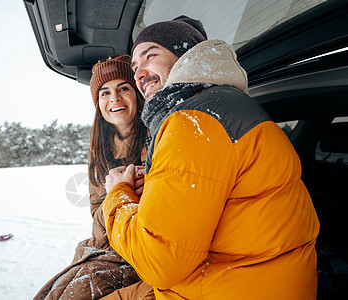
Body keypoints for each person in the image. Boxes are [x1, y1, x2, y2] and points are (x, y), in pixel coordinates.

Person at [102, 16, 320, 299]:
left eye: (150, 56)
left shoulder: (193, 123)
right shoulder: (223, 106)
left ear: (185, 56)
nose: (140, 74)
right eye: (134, 68)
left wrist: (117, 195)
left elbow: (159, 263)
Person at [34, 55, 153, 300]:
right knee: (53, 292)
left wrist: (131, 191)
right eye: (105, 93)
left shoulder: (157, 137)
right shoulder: (99, 153)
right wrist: (116, 193)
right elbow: (98, 218)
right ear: (98, 103)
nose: (115, 99)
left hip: (144, 247)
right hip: (110, 243)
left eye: (123, 88)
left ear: (137, 94)